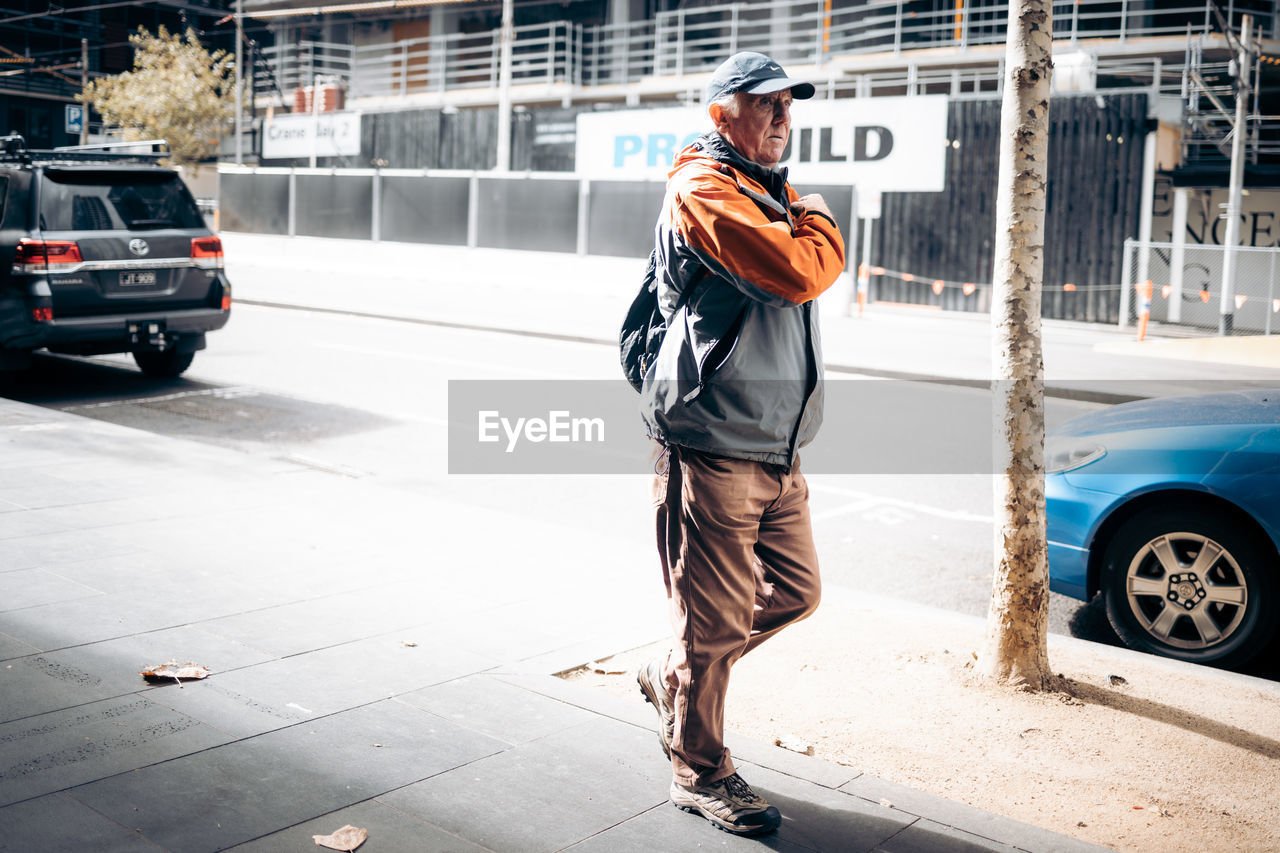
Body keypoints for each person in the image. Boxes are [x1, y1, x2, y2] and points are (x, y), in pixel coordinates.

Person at [635, 51, 846, 836]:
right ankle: (700, 771)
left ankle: (673, 671)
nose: (784, 118)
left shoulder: (769, 190)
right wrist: (819, 217)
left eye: (790, 105)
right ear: (722, 112)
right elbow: (796, 271)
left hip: (777, 445)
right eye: (768, 105)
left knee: (796, 591)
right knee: (714, 624)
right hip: (715, 438)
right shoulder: (705, 187)